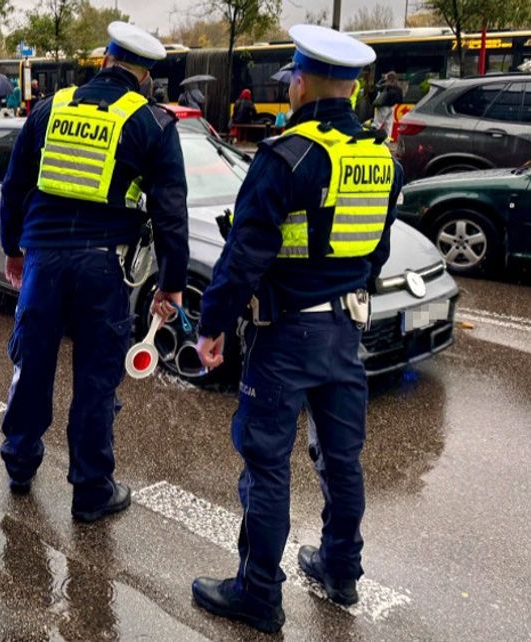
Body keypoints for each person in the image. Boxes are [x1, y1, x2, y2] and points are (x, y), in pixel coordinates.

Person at [190, 25, 401, 634]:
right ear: (354, 88)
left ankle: (258, 594)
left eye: (291, 82)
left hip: (284, 338)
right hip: (345, 331)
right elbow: (375, 252)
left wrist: (213, 326)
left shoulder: (286, 156)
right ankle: (341, 570)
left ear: (301, 83)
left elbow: (246, 255)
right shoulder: (379, 157)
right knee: (342, 460)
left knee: (267, 465)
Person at [0, 22, 190, 523]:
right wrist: (170, 285)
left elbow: (14, 185)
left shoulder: (49, 109)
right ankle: (90, 490)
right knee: (96, 379)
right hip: (104, 266)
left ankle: (19, 463)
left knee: (33, 359)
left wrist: (12, 249)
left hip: (42, 257)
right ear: (144, 75)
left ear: (103, 60)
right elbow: (171, 212)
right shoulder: (152, 123)